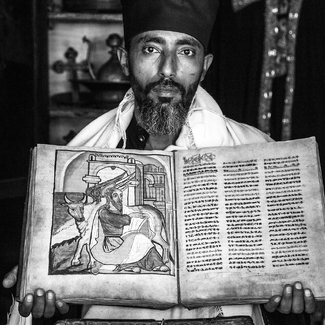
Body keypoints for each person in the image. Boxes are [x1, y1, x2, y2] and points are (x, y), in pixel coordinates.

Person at [2, 0, 320, 324]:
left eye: (186, 52)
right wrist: (38, 282)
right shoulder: (80, 152)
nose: (168, 70)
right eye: (152, 49)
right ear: (125, 60)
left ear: (205, 65)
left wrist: (289, 298)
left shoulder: (257, 153)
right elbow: (54, 273)